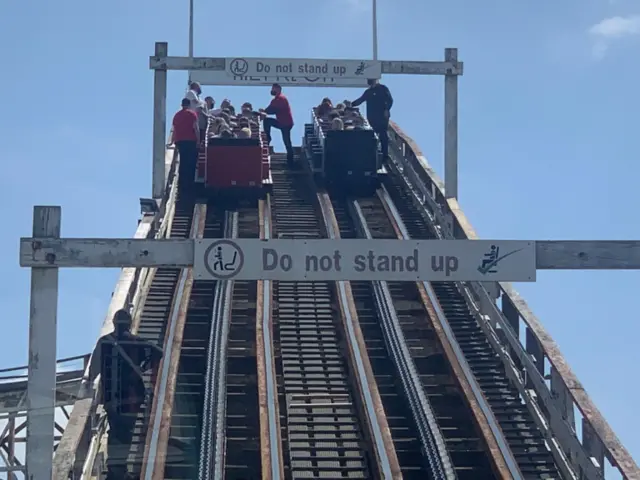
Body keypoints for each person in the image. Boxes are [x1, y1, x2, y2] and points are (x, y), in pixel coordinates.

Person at [81, 309, 163, 480]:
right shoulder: (136, 343)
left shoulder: (105, 342)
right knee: (128, 432)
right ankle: (121, 471)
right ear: (130, 323)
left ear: (113, 323)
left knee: (115, 432)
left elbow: (93, 370)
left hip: (112, 397)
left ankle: (115, 471)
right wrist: (142, 367)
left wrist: (90, 382)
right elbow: (158, 352)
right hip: (133, 398)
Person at [351, 79, 393, 159]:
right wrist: (351, 104)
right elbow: (360, 100)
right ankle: (373, 154)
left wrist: (387, 109)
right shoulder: (368, 92)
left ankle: (385, 155)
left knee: (383, 135)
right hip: (372, 118)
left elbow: (390, 100)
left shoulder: (383, 88)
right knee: (373, 135)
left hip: (382, 117)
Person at [259, 83, 294, 166]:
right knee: (267, 121)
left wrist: (264, 112)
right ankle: (268, 138)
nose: (272, 90)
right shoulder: (275, 100)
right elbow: (269, 109)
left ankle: (291, 162)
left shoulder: (281, 98)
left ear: (278, 89)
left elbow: (273, 110)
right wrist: (263, 111)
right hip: (281, 122)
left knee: (287, 141)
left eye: (273, 88)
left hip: (286, 123)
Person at [172, 98, 200, 190]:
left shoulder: (176, 115)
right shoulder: (192, 114)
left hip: (180, 141)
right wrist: (198, 141)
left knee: (183, 161)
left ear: (181, 105)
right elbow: (195, 128)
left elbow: (174, 130)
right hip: (191, 140)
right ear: (189, 105)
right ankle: (190, 182)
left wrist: (172, 141)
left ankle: (181, 182)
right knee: (191, 162)